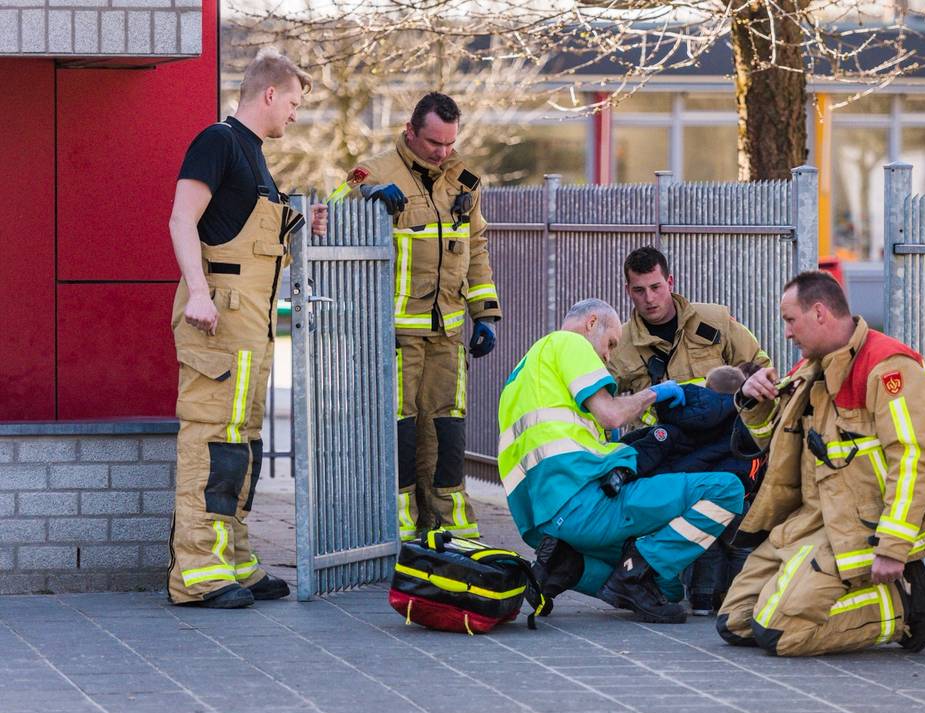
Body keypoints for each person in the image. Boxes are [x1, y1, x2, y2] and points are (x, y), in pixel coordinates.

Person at [717, 271, 925, 655]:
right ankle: (859, 596)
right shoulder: (808, 370)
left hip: (858, 528)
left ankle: (901, 607)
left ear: (819, 313)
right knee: (735, 623)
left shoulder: (889, 367)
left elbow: (915, 459)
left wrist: (892, 545)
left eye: (790, 320)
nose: (786, 333)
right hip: (811, 521)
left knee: (778, 634)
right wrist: (757, 403)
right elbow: (772, 441)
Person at [167, 48, 328, 609]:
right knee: (211, 440)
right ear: (269, 94)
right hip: (218, 317)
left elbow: (244, 230)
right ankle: (197, 572)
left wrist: (297, 221)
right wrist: (201, 294)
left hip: (251, 323)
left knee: (242, 442)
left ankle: (233, 556)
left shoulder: (254, 156)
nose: (294, 114)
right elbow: (181, 218)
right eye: (293, 102)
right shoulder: (218, 141)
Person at [498, 299, 744, 624]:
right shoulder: (568, 342)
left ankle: (567, 564)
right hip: (582, 503)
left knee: (667, 590)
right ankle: (633, 573)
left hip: (542, 523)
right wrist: (655, 393)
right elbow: (611, 415)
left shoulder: (520, 377)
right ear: (591, 322)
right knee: (726, 489)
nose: (608, 356)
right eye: (611, 342)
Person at [331, 92, 499, 541]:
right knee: (401, 431)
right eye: (433, 143)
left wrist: (485, 313)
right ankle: (400, 528)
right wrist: (365, 200)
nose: (442, 153)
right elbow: (330, 221)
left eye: (449, 143)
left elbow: (476, 248)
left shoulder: (464, 181)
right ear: (410, 131)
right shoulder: (374, 174)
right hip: (394, 333)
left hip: (447, 330)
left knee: (447, 428)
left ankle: (449, 527)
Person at [623, 364, 760, 615]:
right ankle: (737, 599)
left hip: (700, 494)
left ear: (707, 388)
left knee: (705, 545)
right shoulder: (748, 418)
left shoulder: (690, 416)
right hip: (739, 493)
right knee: (740, 548)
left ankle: (702, 601)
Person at [609, 246, 769, 396]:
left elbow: (759, 368)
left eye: (655, 287)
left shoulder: (714, 321)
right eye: (639, 290)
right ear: (628, 290)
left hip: (720, 425)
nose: (649, 298)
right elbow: (596, 406)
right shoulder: (619, 345)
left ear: (670, 282)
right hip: (658, 427)